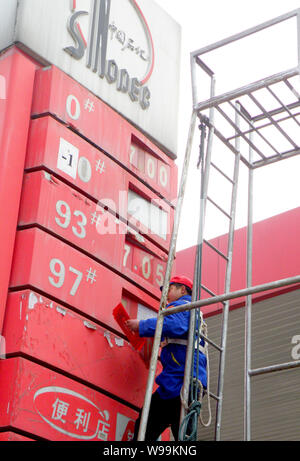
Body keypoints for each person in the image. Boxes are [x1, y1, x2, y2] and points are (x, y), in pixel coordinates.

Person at [126, 275, 207, 441]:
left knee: (152, 427)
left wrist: (141, 326)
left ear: (183, 290)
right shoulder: (189, 311)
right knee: (154, 425)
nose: (166, 295)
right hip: (176, 383)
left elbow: (173, 325)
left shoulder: (184, 306)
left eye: (169, 289)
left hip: (181, 383)